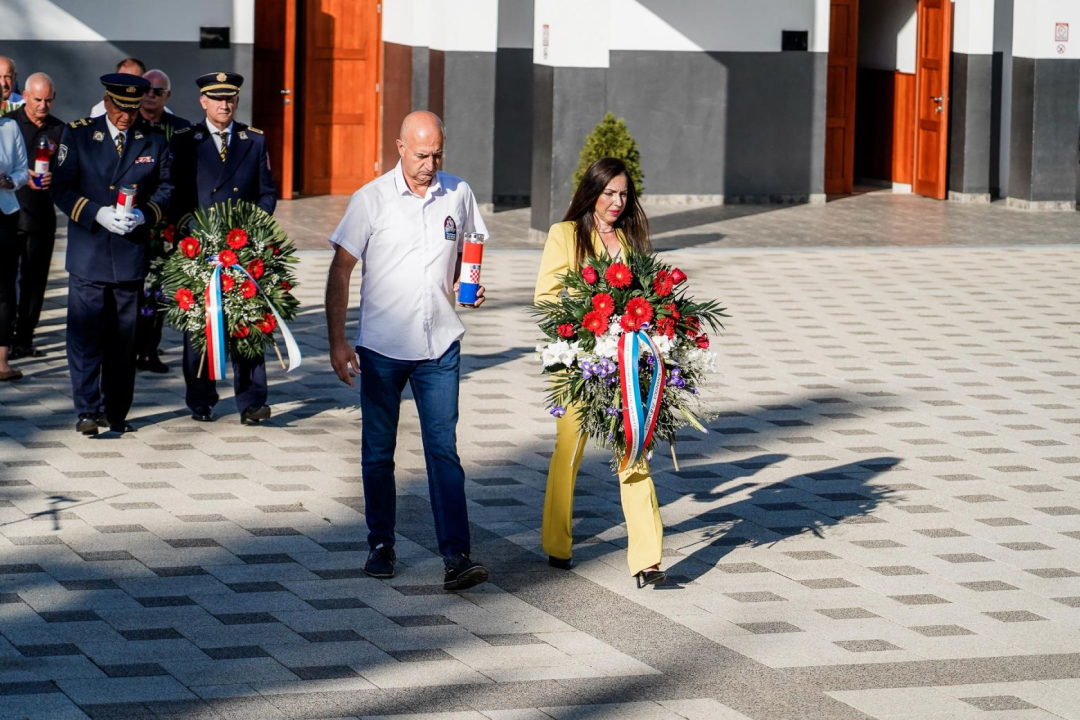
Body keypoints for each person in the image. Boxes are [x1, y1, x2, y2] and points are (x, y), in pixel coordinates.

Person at [326, 110, 490, 592]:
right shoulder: (371, 199)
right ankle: (381, 544)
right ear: (399, 148)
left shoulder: (458, 193)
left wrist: (466, 283)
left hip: (440, 344)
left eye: (437, 154)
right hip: (382, 348)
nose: (430, 164)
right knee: (379, 452)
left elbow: (469, 250)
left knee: (443, 450)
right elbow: (340, 270)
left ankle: (457, 556)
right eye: (421, 154)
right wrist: (337, 340)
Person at [534, 157, 666, 588]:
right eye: (609, 193)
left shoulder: (630, 238)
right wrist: (589, 319)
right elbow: (546, 297)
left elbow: (643, 296)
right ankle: (557, 543)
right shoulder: (565, 234)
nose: (617, 202)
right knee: (569, 452)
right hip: (578, 361)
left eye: (623, 194)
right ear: (592, 192)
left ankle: (647, 559)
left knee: (634, 448)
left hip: (624, 363)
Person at [50, 74, 172, 435]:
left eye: (133, 109)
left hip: (129, 253)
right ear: (106, 101)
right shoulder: (79, 134)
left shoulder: (153, 138)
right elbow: (61, 188)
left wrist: (144, 214)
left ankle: (116, 411)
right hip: (89, 252)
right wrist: (96, 213)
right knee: (86, 338)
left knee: (123, 341)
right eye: (120, 108)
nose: (126, 116)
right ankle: (87, 410)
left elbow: (167, 187)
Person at [170, 71, 275, 425]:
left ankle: (252, 401)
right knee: (202, 324)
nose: (224, 104)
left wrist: (252, 227)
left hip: (242, 248)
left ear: (237, 101)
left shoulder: (253, 139)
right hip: (201, 248)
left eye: (229, 98)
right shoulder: (186, 141)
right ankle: (201, 399)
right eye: (216, 98)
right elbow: (175, 193)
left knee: (248, 321)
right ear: (203, 102)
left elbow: (266, 192)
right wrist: (191, 229)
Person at [134, 68, 189, 373]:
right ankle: (125, 346)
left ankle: (148, 350)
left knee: (157, 290)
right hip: (133, 219)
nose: (151, 95)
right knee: (130, 288)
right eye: (147, 89)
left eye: (158, 91)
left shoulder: (181, 129)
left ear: (168, 96)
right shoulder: (129, 123)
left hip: (167, 224)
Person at [9, 73, 64, 360]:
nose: (43, 105)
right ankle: (4, 337)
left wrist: (57, 177)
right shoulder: (8, 125)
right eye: (37, 99)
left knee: (35, 281)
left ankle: (24, 338)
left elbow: (71, 171)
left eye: (48, 100)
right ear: (25, 96)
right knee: (5, 282)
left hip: (41, 216)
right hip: (9, 214)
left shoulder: (60, 130)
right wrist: (20, 177)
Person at [0, 110, 29, 381]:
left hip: (4, 214)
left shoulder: (9, 127)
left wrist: (9, 181)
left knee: (5, 287)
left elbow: (22, 169)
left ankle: (1, 361)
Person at [89, 59, 171, 118]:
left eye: (134, 80)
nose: (129, 85)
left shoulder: (164, 114)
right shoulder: (100, 111)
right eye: (124, 80)